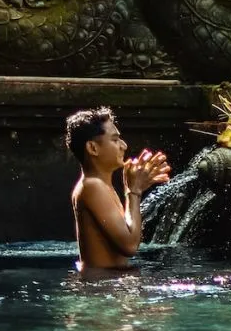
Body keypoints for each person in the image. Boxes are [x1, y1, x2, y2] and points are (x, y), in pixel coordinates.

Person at [67, 108, 171, 273]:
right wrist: (133, 192)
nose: (124, 145)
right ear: (93, 148)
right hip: (103, 287)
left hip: (107, 284)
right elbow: (129, 246)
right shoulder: (93, 186)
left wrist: (133, 190)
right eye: (114, 140)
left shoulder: (99, 185)